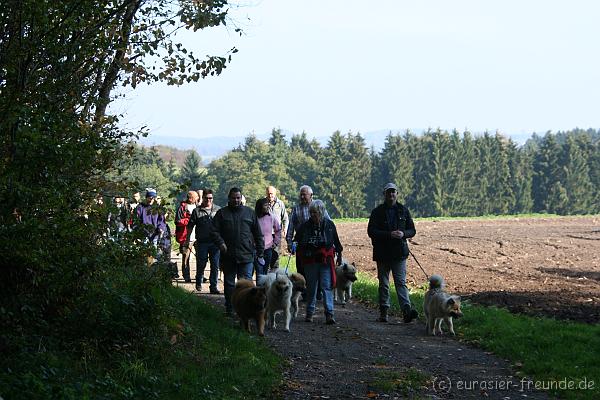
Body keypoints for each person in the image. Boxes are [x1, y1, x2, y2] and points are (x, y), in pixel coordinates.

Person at [367, 183, 418, 323]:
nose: (391, 195)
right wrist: (389, 234)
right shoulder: (377, 212)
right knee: (383, 284)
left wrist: (403, 234)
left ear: (397, 193)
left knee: (400, 283)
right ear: (384, 194)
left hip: (399, 254)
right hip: (382, 253)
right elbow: (371, 231)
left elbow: (412, 230)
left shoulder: (403, 210)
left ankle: (406, 311)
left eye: (393, 192)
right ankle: (384, 313)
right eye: (388, 192)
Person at [210, 187, 264, 315]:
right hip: (228, 256)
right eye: (233, 198)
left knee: (247, 286)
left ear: (241, 198)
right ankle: (230, 308)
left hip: (246, 255)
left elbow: (258, 234)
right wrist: (221, 243)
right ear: (229, 198)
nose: (236, 200)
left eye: (238, 198)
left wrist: (260, 251)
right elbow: (213, 231)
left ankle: (247, 310)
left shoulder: (250, 213)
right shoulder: (222, 213)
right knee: (229, 284)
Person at [294, 200, 342, 325]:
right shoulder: (305, 226)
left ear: (321, 212)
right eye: (311, 212)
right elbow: (298, 240)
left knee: (327, 286)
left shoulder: (330, 225)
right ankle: (310, 313)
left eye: (314, 212)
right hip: (310, 260)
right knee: (311, 287)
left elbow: (336, 241)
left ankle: (329, 314)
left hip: (326, 260)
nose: (312, 215)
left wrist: (339, 255)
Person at [187, 188, 221, 293]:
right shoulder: (196, 211)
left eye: (211, 198)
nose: (209, 200)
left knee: (215, 265)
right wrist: (187, 239)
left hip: (215, 242)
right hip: (202, 242)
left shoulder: (218, 210)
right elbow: (190, 226)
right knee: (201, 263)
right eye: (207, 198)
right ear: (203, 198)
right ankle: (198, 281)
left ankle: (213, 286)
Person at [254, 197, 281, 278]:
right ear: (260, 207)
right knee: (259, 272)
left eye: (268, 205)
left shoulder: (272, 217)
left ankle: (265, 290)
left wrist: (275, 242)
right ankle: (259, 289)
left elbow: (278, 230)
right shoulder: (254, 218)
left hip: (268, 249)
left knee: (265, 272)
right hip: (256, 249)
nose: (268, 207)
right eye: (265, 205)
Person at [175, 191, 199, 282]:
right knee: (186, 257)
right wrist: (189, 220)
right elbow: (177, 221)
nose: (198, 198)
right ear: (191, 198)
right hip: (186, 237)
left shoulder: (198, 207)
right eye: (196, 197)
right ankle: (186, 276)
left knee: (200, 257)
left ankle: (199, 275)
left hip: (197, 236)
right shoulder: (182, 208)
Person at [266, 186, 289, 269]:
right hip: (266, 235)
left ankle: (275, 278)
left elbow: (285, 218)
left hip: (276, 235)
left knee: (275, 257)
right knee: (266, 257)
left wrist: (285, 230)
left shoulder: (280, 204)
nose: (270, 195)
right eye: (268, 193)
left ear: (275, 194)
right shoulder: (263, 204)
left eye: (271, 194)